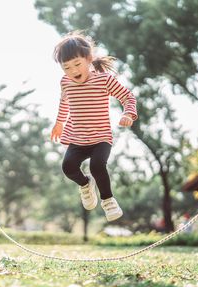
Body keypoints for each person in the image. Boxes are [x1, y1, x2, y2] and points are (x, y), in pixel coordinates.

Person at [50, 32, 138, 222]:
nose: (73, 71)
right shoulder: (65, 82)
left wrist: (128, 113)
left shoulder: (103, 80)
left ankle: (108, 200)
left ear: (88, 59)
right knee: (68, 167)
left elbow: (127, 96)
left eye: (77, 64)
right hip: (77, 137)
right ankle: (85, 183)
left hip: (100, 137)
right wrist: (59, 123)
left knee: (97, 165)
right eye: (67, 67)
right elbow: (64, 103)